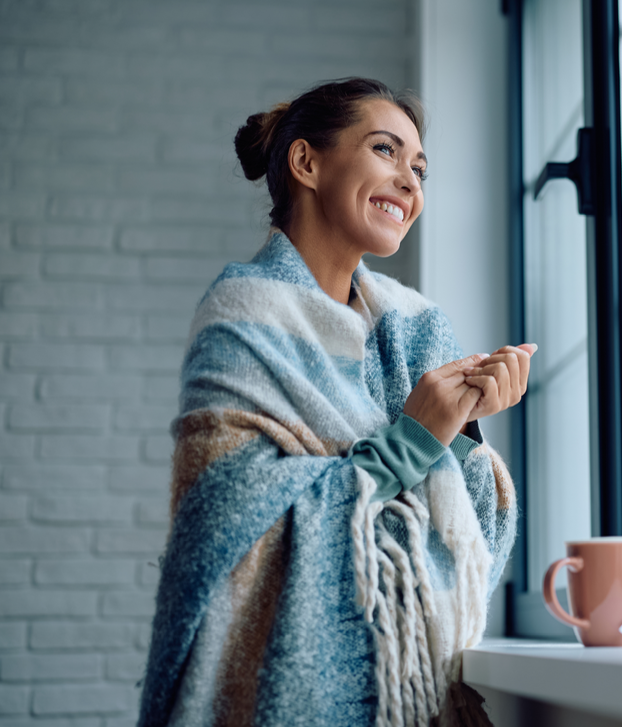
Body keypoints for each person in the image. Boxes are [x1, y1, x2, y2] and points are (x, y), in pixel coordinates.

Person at [138, 78, 531, 726]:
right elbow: (226, 522)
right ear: (307, 163)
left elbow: (467, 540)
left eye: (421, 168)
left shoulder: (419, 328)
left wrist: (462, 433)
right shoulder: (242, 316)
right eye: (386, 151)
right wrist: (413, 441)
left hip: (410, 690)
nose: (410, 182)